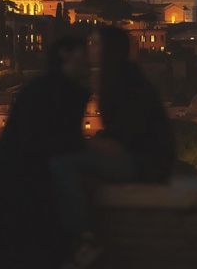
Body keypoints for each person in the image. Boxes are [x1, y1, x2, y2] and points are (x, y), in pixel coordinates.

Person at [50, 26, 175, 268]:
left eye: (95, 44)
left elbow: (126, 131)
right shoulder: (118, 77)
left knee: (62, 165)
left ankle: (85, 240)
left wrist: (88, 144)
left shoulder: (125, 81)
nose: (90, 49)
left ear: (109, 49)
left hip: (146, 163)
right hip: (143, 159)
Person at [0, 36, 90, 269]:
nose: (87, 59)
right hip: (26, 192)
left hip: (16, 188)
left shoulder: (46, 89)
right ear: (65, 56)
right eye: (82, 53)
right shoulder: (60, 92)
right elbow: (57, 142)